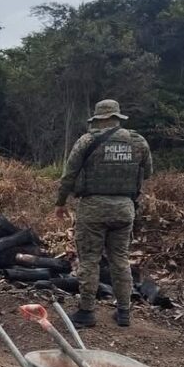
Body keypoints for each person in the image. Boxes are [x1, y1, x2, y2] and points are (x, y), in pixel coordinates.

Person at [56, 99, 153, 328]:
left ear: (98, 119)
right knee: (120, 259)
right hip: (125, 208)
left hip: (93, 208)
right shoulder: (138, 141)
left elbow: (69, 175)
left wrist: (60, 202)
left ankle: (86, 312)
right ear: (117, 118)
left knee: (90, 260)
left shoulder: (87, 141)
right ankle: (124, 312)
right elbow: (148, 173)